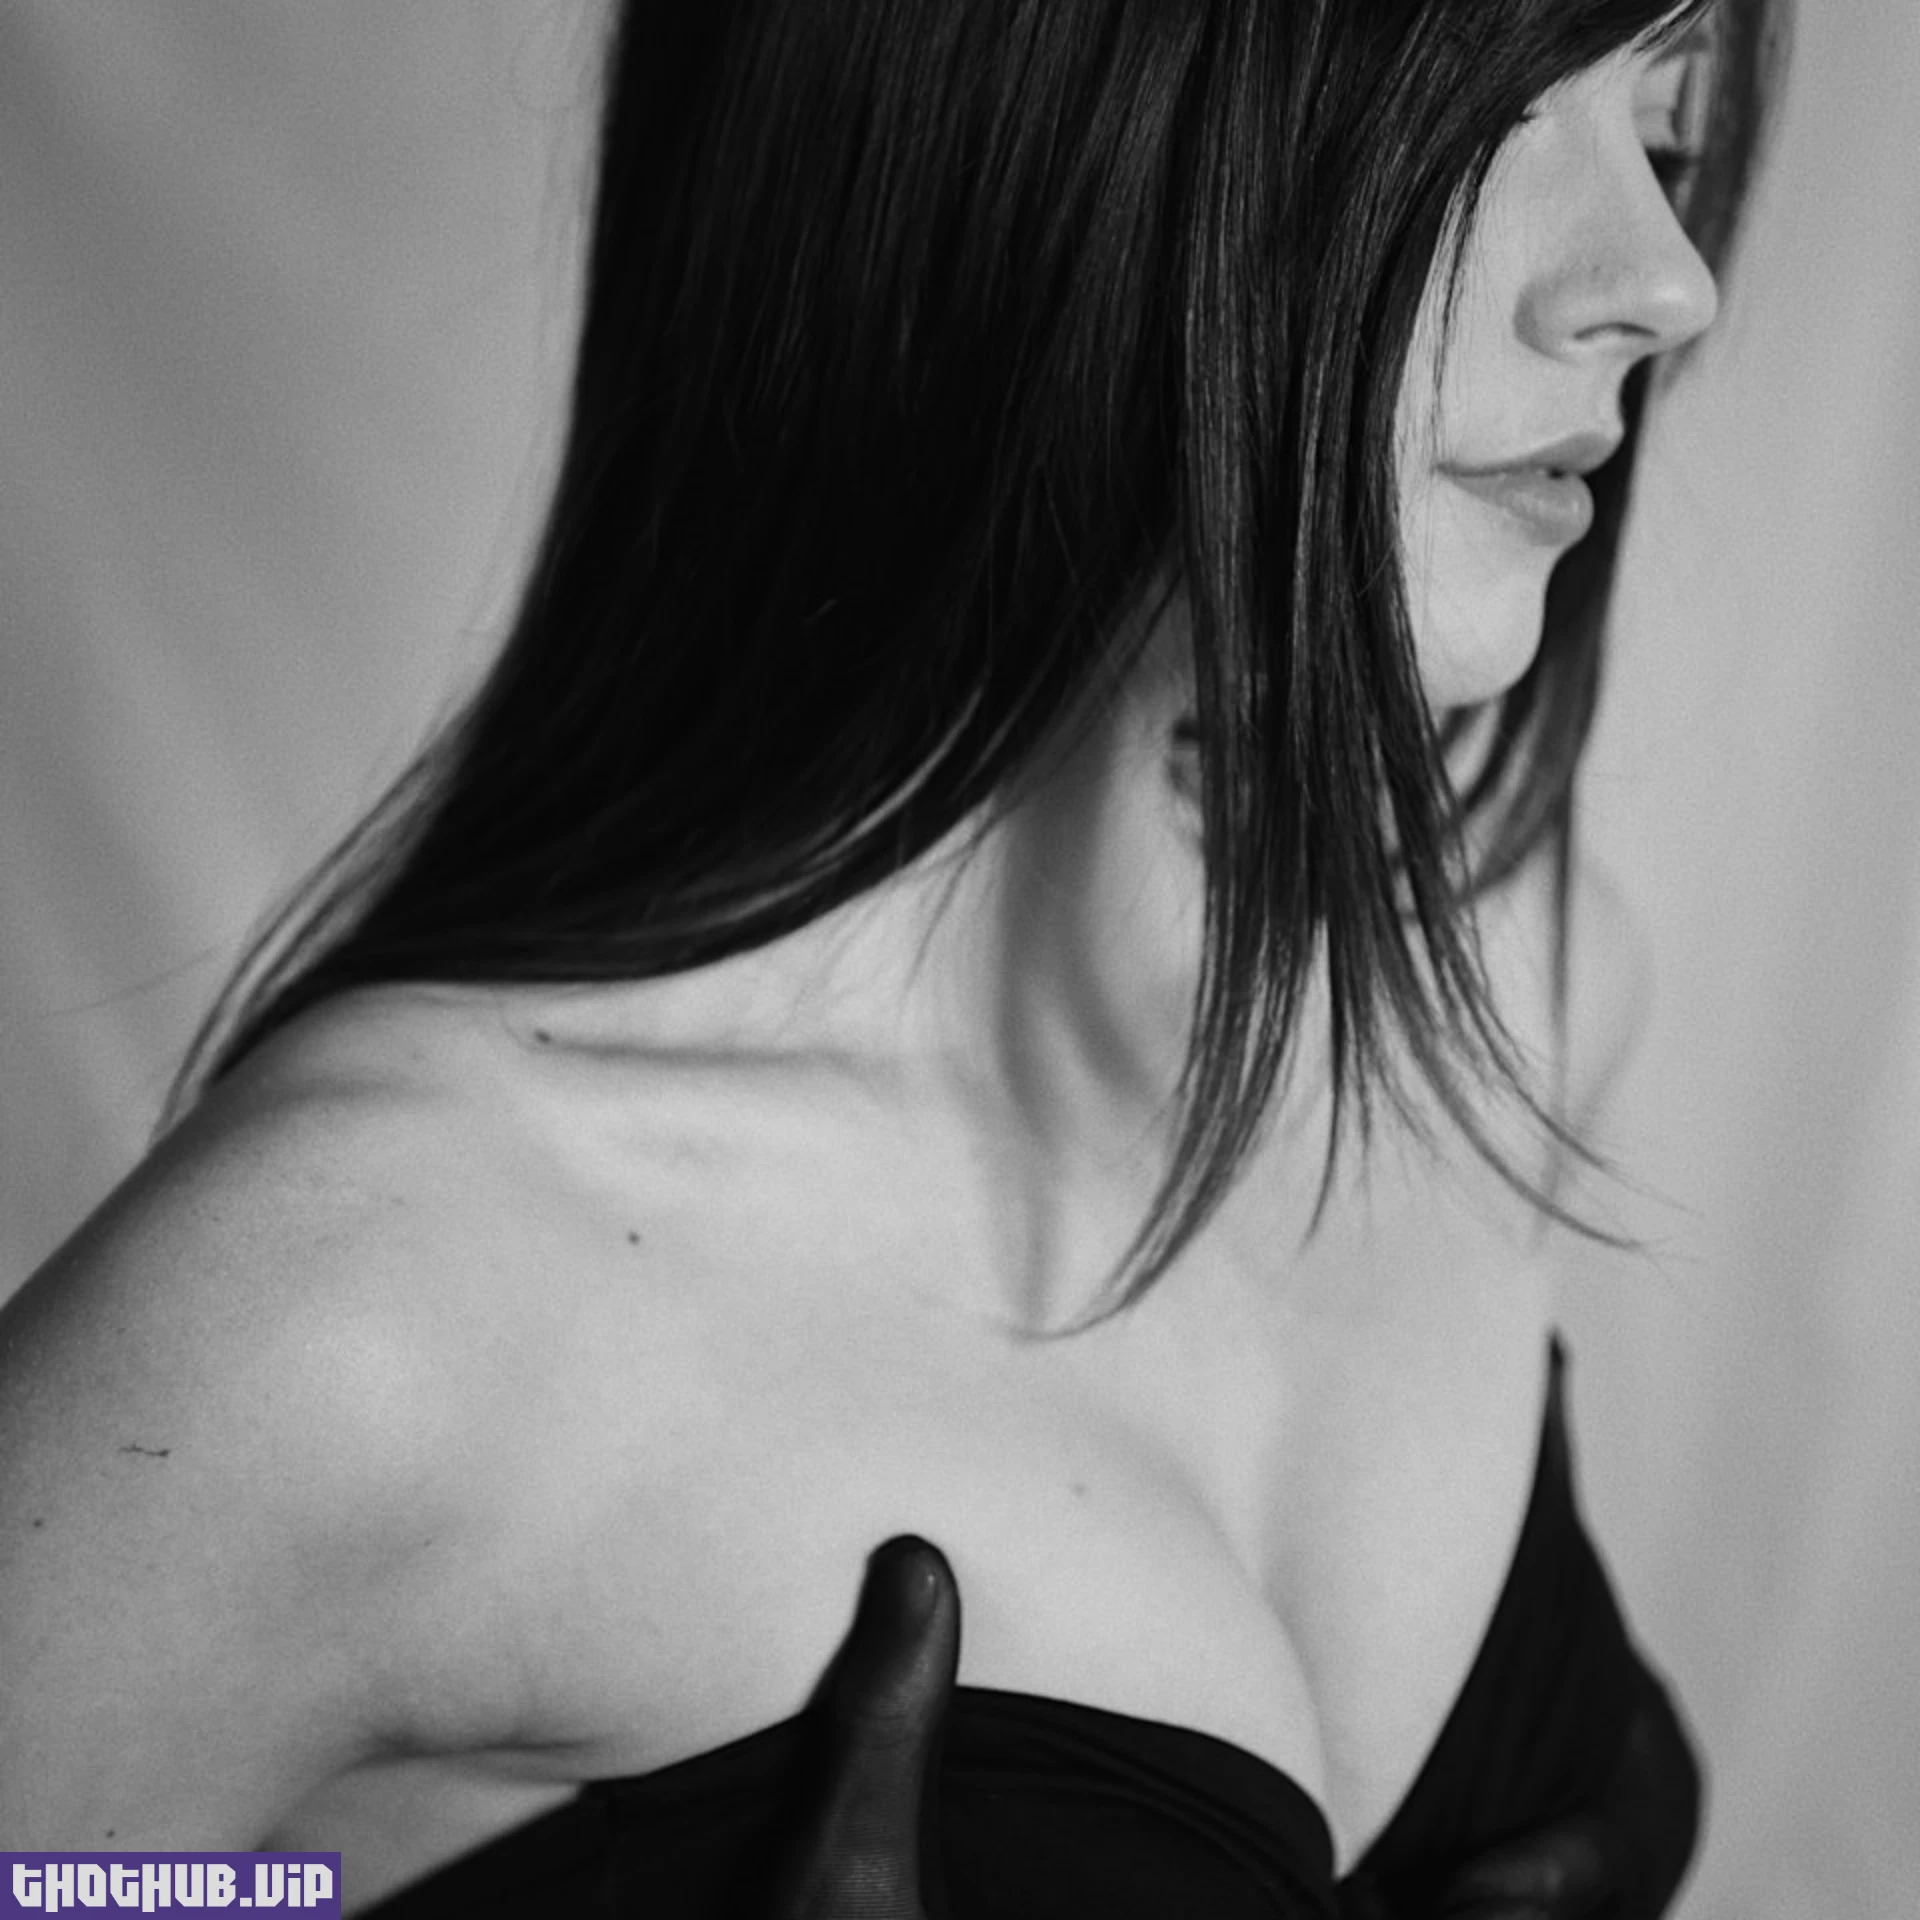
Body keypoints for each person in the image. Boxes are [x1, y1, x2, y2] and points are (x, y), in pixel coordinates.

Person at [0, 0, 1785, 1913]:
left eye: (1666, 126)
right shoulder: (361, 1312)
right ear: (1025, 94)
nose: (1666, 281)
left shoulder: (1509, 989)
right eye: (1489, 101)